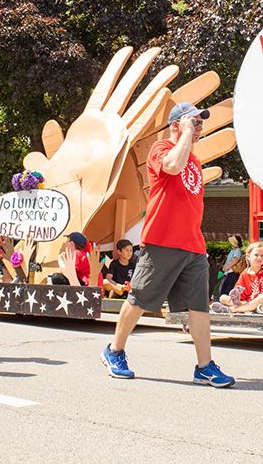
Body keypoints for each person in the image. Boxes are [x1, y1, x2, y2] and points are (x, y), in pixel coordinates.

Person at [101, 101, 235, 387]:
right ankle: (114, 351)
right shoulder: (161, 150)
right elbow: (173, 166)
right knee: (139, 300)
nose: (199, 128)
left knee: (199, 307)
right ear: (176, 124)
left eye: (201, 123)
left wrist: (188, 132)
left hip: (193, 245)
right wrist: (185, 132)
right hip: (162, 240)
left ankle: (205, 365)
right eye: (194, 122)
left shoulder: (196, 161)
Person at [212, 242, 263, 314]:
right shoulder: (244, 274)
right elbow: (239, 294)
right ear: (248, 256)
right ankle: (253, 308)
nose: (259, 258)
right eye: (256, 255)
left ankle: (232, 310)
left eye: (262, 256)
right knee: (223, 297)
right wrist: (235, 296)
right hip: (247, 302)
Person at [216, 235, 244, 300]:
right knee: (223, 288)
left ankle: (225, 303)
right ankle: (223, 302)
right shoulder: (233, 250)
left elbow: (235, 260)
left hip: (232, 273)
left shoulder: (237, 250)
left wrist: (226, 267)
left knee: (226, 289)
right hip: (228, 272)